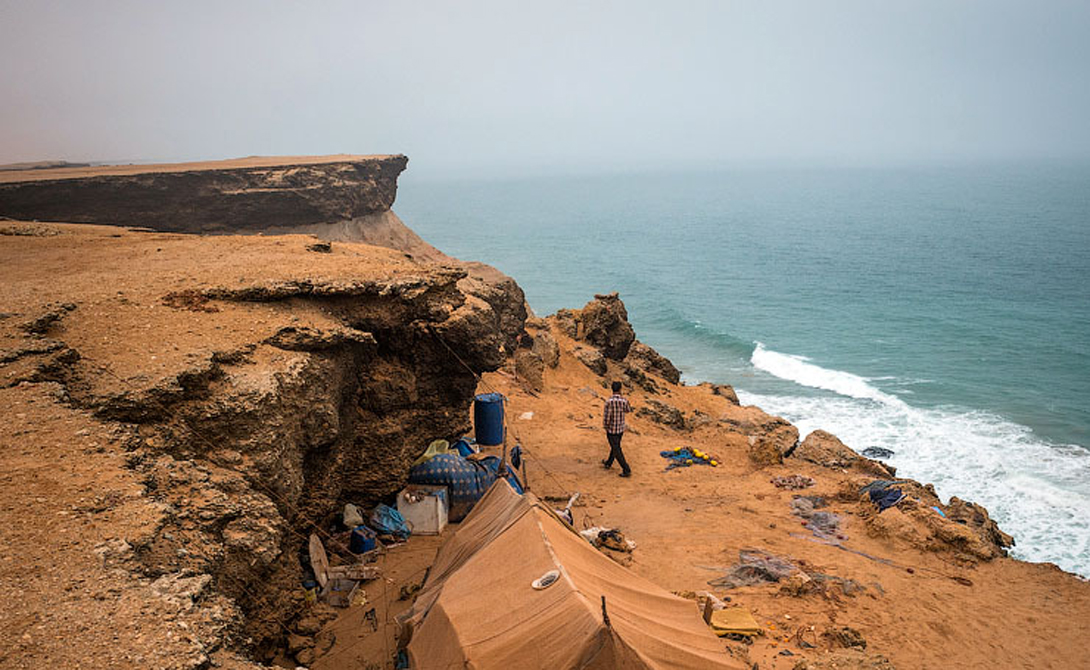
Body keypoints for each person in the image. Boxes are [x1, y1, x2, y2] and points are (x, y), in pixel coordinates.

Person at [601, 380, 632, 477]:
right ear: (620, 389)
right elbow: (628, 410)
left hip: (611, 429)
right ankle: (608, 463)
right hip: (620, 428)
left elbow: (607, 416)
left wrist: (605, 426)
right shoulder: (624, 401)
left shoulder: (609, 402)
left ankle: (626, 469)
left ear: (612, 389)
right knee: (615, 446)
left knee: (616, 449)